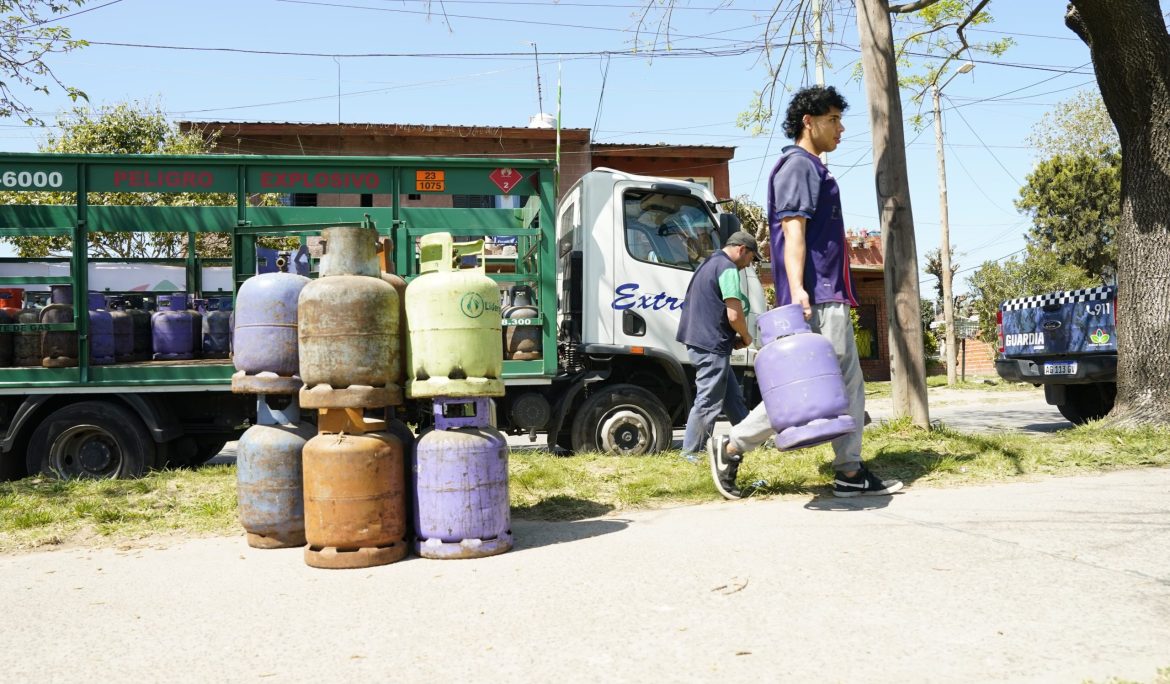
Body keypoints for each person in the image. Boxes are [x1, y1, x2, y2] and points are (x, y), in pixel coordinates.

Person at [708, 85, 903, 500]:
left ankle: (849, 471)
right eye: (832, 119)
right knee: (810, 390)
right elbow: (792, 230)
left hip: (830, 294)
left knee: (846, 385)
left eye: (840, 119)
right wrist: (797, 289)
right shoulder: (798, 166)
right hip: (816, 295)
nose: (841, 128)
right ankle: (732, 446)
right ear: (808, 122)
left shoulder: (813, 167)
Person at [675, 230, 760, 463]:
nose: (747, 265)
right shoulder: (728, 268)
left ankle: (751, 441)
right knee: (708, 400)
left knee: (732, 397)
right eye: (750, 259)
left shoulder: (709, 263)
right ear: (742, 250)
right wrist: (745, 336)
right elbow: (734, 314)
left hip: (701, 339)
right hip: (711, 343)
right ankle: (691, 454)